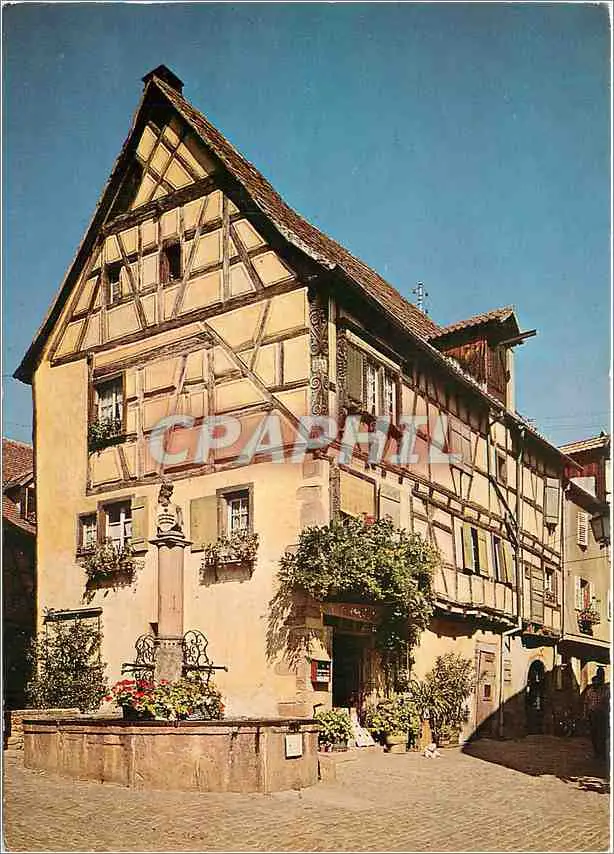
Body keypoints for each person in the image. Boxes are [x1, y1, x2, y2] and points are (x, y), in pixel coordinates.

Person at [583, 666, 609, 760]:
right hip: (592, 715)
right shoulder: (590, 691)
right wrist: (585, 714)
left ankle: (602, 754)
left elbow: (607, 702)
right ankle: (596, 753)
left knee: (601, 735)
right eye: (594, 682)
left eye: (597, 682)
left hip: (601, 715)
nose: (595, 683)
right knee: (593, 735)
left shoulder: (605, 690)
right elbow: (586, 703)